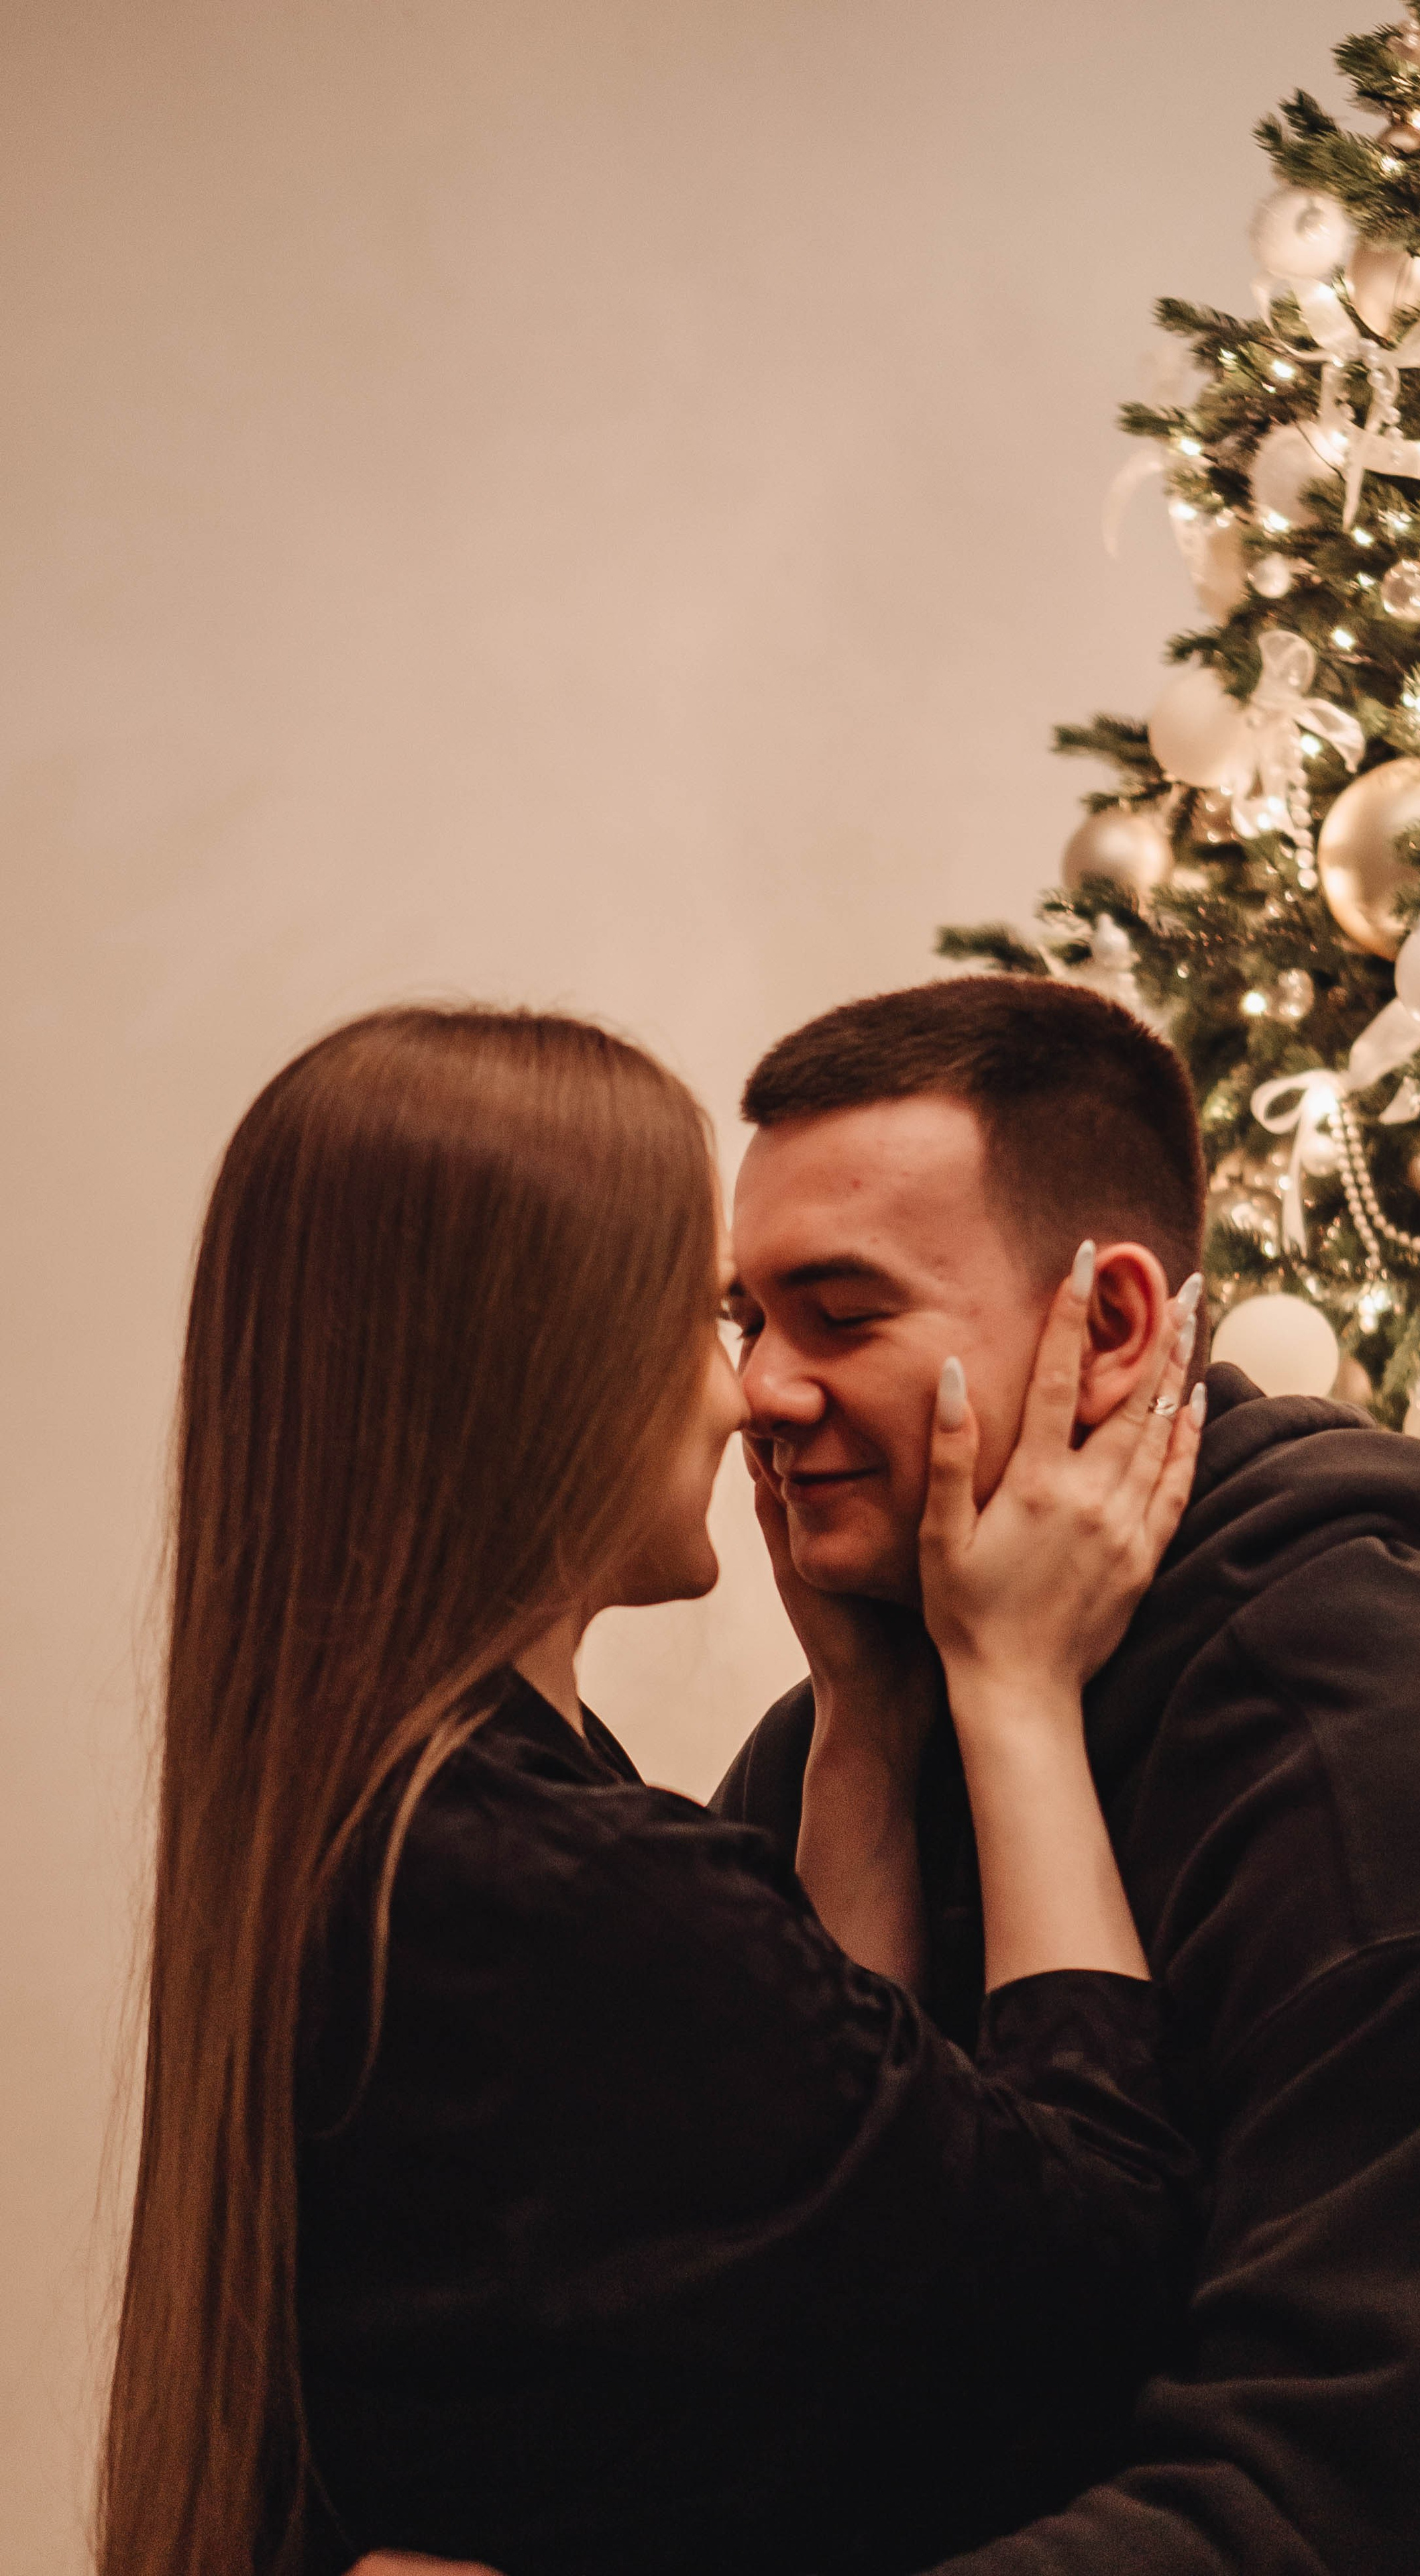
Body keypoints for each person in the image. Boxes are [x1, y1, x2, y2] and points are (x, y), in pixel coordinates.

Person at [98, 1003, 1213, 2576]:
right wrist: (1014, 1690)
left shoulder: (407, 1816)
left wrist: (864, 1723)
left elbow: (838, 2239)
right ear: (527, 1368)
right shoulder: (544, 1882)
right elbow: (1078, 2289)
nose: (746, 1394)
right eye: (706, 1317)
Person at [713, 974, 1420, 2576]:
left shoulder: (1416, 1784)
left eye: (841, 1313)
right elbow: (782, 2350)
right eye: (743, 1319)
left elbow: (1300, 2522)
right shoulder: (849, 1724)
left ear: (1107, 1326)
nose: (757, 1393)